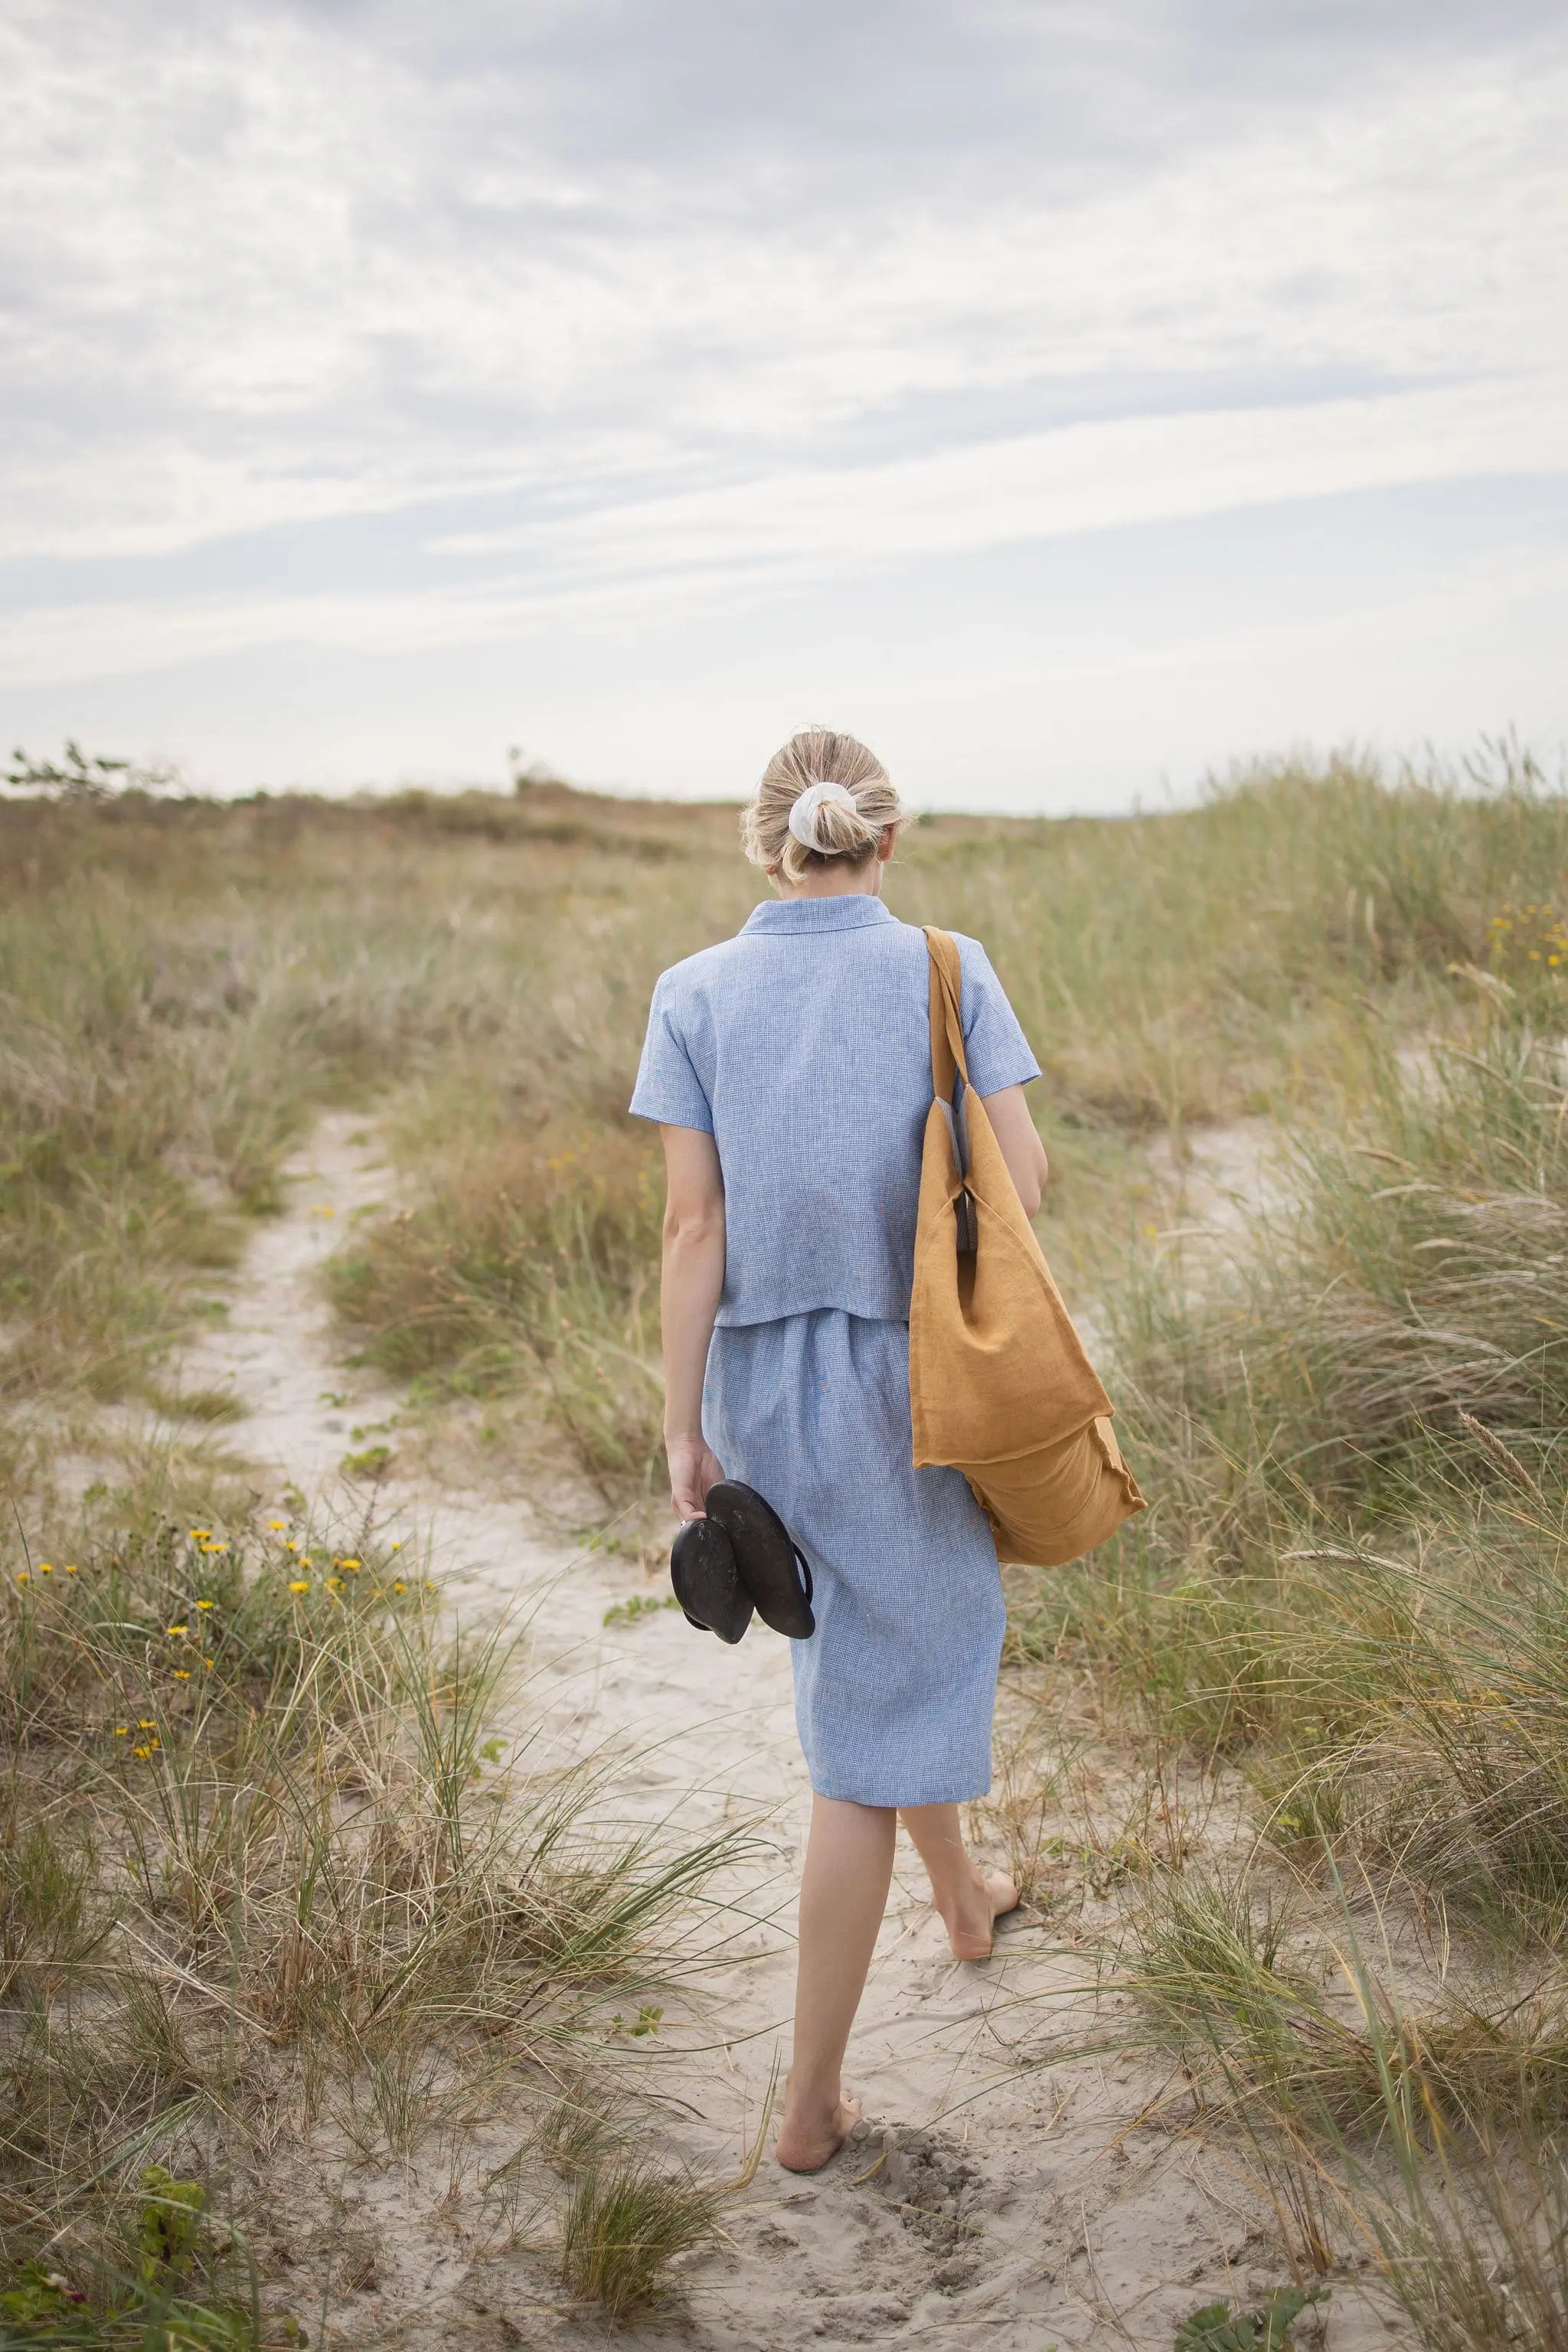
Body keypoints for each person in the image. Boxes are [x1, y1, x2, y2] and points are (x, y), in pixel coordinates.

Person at [629, 726, 1049, 2174]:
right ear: (886, 837)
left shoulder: (691, 991)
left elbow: (697, 1229)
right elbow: (1028, 1179)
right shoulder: (948, 963)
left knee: (872, 1644)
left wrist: (683, 1426)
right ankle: (809, 2105)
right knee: (869, 1727)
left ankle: (965, 1895)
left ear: (768, 843)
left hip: (762, 1382)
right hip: (917, 1375)